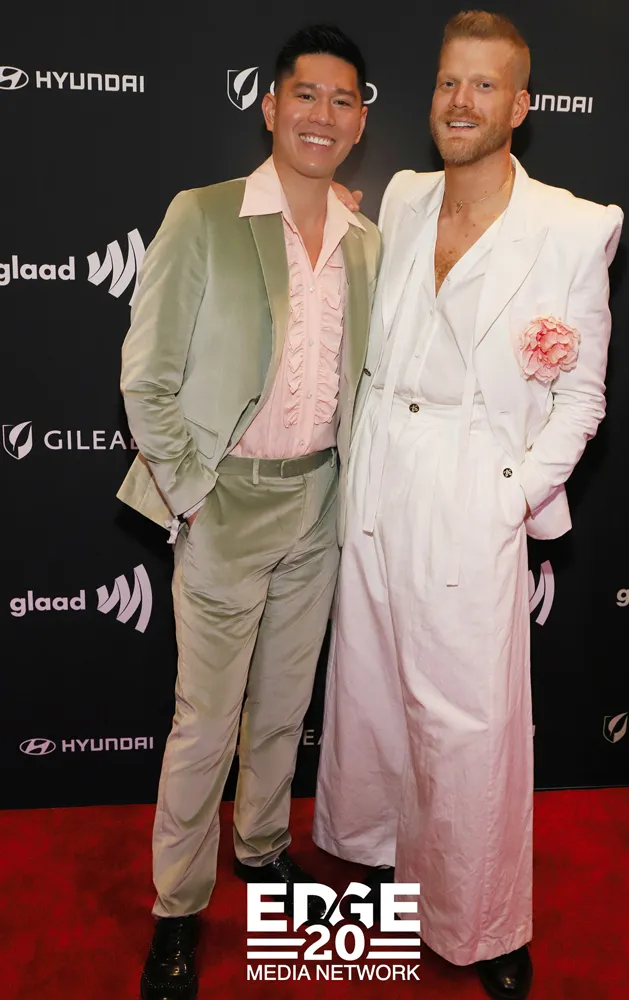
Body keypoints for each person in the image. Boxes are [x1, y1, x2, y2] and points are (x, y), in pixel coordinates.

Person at [314, 11, 622, 1000]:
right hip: (381, 469)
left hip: (471, 482)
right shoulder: (403, 197)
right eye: (450, 81)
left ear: (519, 106)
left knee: (469, 720)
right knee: (368, 689)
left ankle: (482, 919)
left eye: (484, 85)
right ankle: (372, 856)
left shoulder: (573, 226)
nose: (460, 101)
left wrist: (511, 496)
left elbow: (581, 397)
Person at [118, 24, 380, 1000]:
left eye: (342, 100)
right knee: (204, 722)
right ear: (270, 107)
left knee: (282, 708)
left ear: (359, 123)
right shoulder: (203, 215)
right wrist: (193, 494)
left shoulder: (368, 244)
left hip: (319, 501)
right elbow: (147, 378)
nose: (321, 115)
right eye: (304, 95)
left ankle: (261, 849)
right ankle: (177, 908)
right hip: (224, 501)